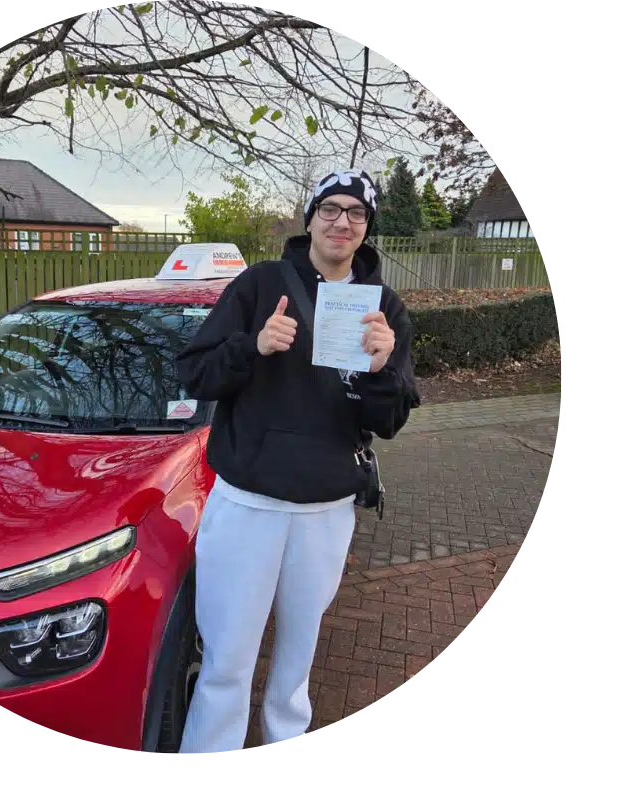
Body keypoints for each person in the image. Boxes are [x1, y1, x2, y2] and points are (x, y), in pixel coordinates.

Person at [173, 168, 422, 754]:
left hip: (326, 511)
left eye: (356, 213)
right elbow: (193, 374)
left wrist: (381, 371)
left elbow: (390, 421)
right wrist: (252, 346)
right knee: (228, 659)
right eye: (330, 209)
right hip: (248, 505)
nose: (342, 222)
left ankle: (287, 744)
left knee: (298, 659)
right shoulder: (260, 285)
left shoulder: (384, 308)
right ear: (310, 218)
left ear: (367, 227)